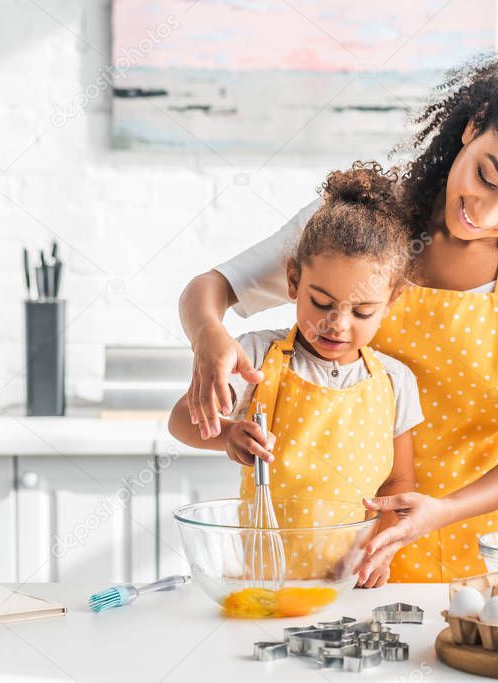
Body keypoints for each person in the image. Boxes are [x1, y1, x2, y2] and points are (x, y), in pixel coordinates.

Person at [177, 37, 498, 583]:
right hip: (342, 550)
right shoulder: (357, 225)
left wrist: (440, 511)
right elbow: (211, 288)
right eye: (487, 176)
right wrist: (208, 335)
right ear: (474, 124)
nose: (485, 211)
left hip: (485, 551)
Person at [168, 163, 424, 587]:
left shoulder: (396, 381)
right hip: (264, 583)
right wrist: (227, 433)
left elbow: (399, 481)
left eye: (362, 312)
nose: (337, 324)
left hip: (350, 587)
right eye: (321, 302)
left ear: (391, 301)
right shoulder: (256, 358)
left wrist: (380, 551)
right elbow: (181, 421)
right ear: (292, 281)